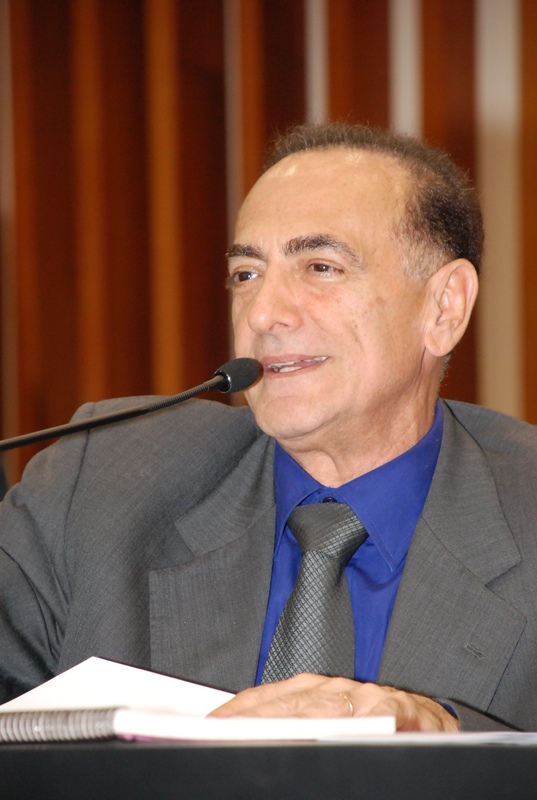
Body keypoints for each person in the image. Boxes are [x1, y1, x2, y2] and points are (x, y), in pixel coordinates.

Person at [0, 122, 536, 733]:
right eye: (246, 274)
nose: (262, 314)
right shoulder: (100, 486)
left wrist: (452, 741)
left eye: (320, 267)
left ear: (445, 307)